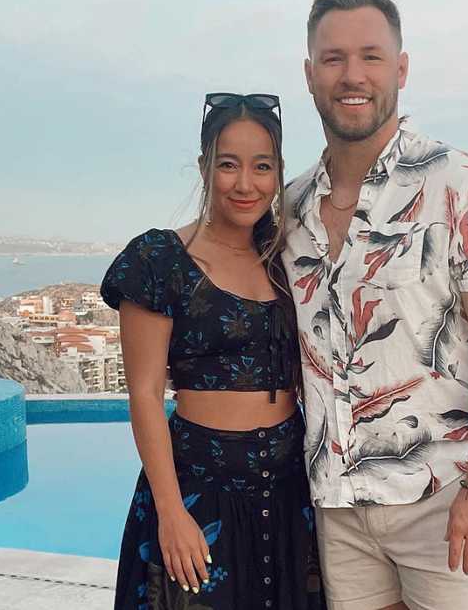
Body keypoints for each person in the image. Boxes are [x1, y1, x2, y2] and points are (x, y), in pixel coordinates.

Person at [282, 0, 468, 610]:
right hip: (337, 508)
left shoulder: (466, 187)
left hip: (444, 499)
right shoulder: (288, 209)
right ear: (310, 75)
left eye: (370, 56)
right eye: (333, 58)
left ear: (401, 68)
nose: (352, 75)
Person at [103, 93, 325, 609]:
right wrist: (172, 511)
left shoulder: (287, 256)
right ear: (204, 168)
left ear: (278, 173)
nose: (245, 183)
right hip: (201, 489)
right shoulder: (158, 260)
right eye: (228, 165)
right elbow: (143, 394)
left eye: (261, 167)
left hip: (290, 491)